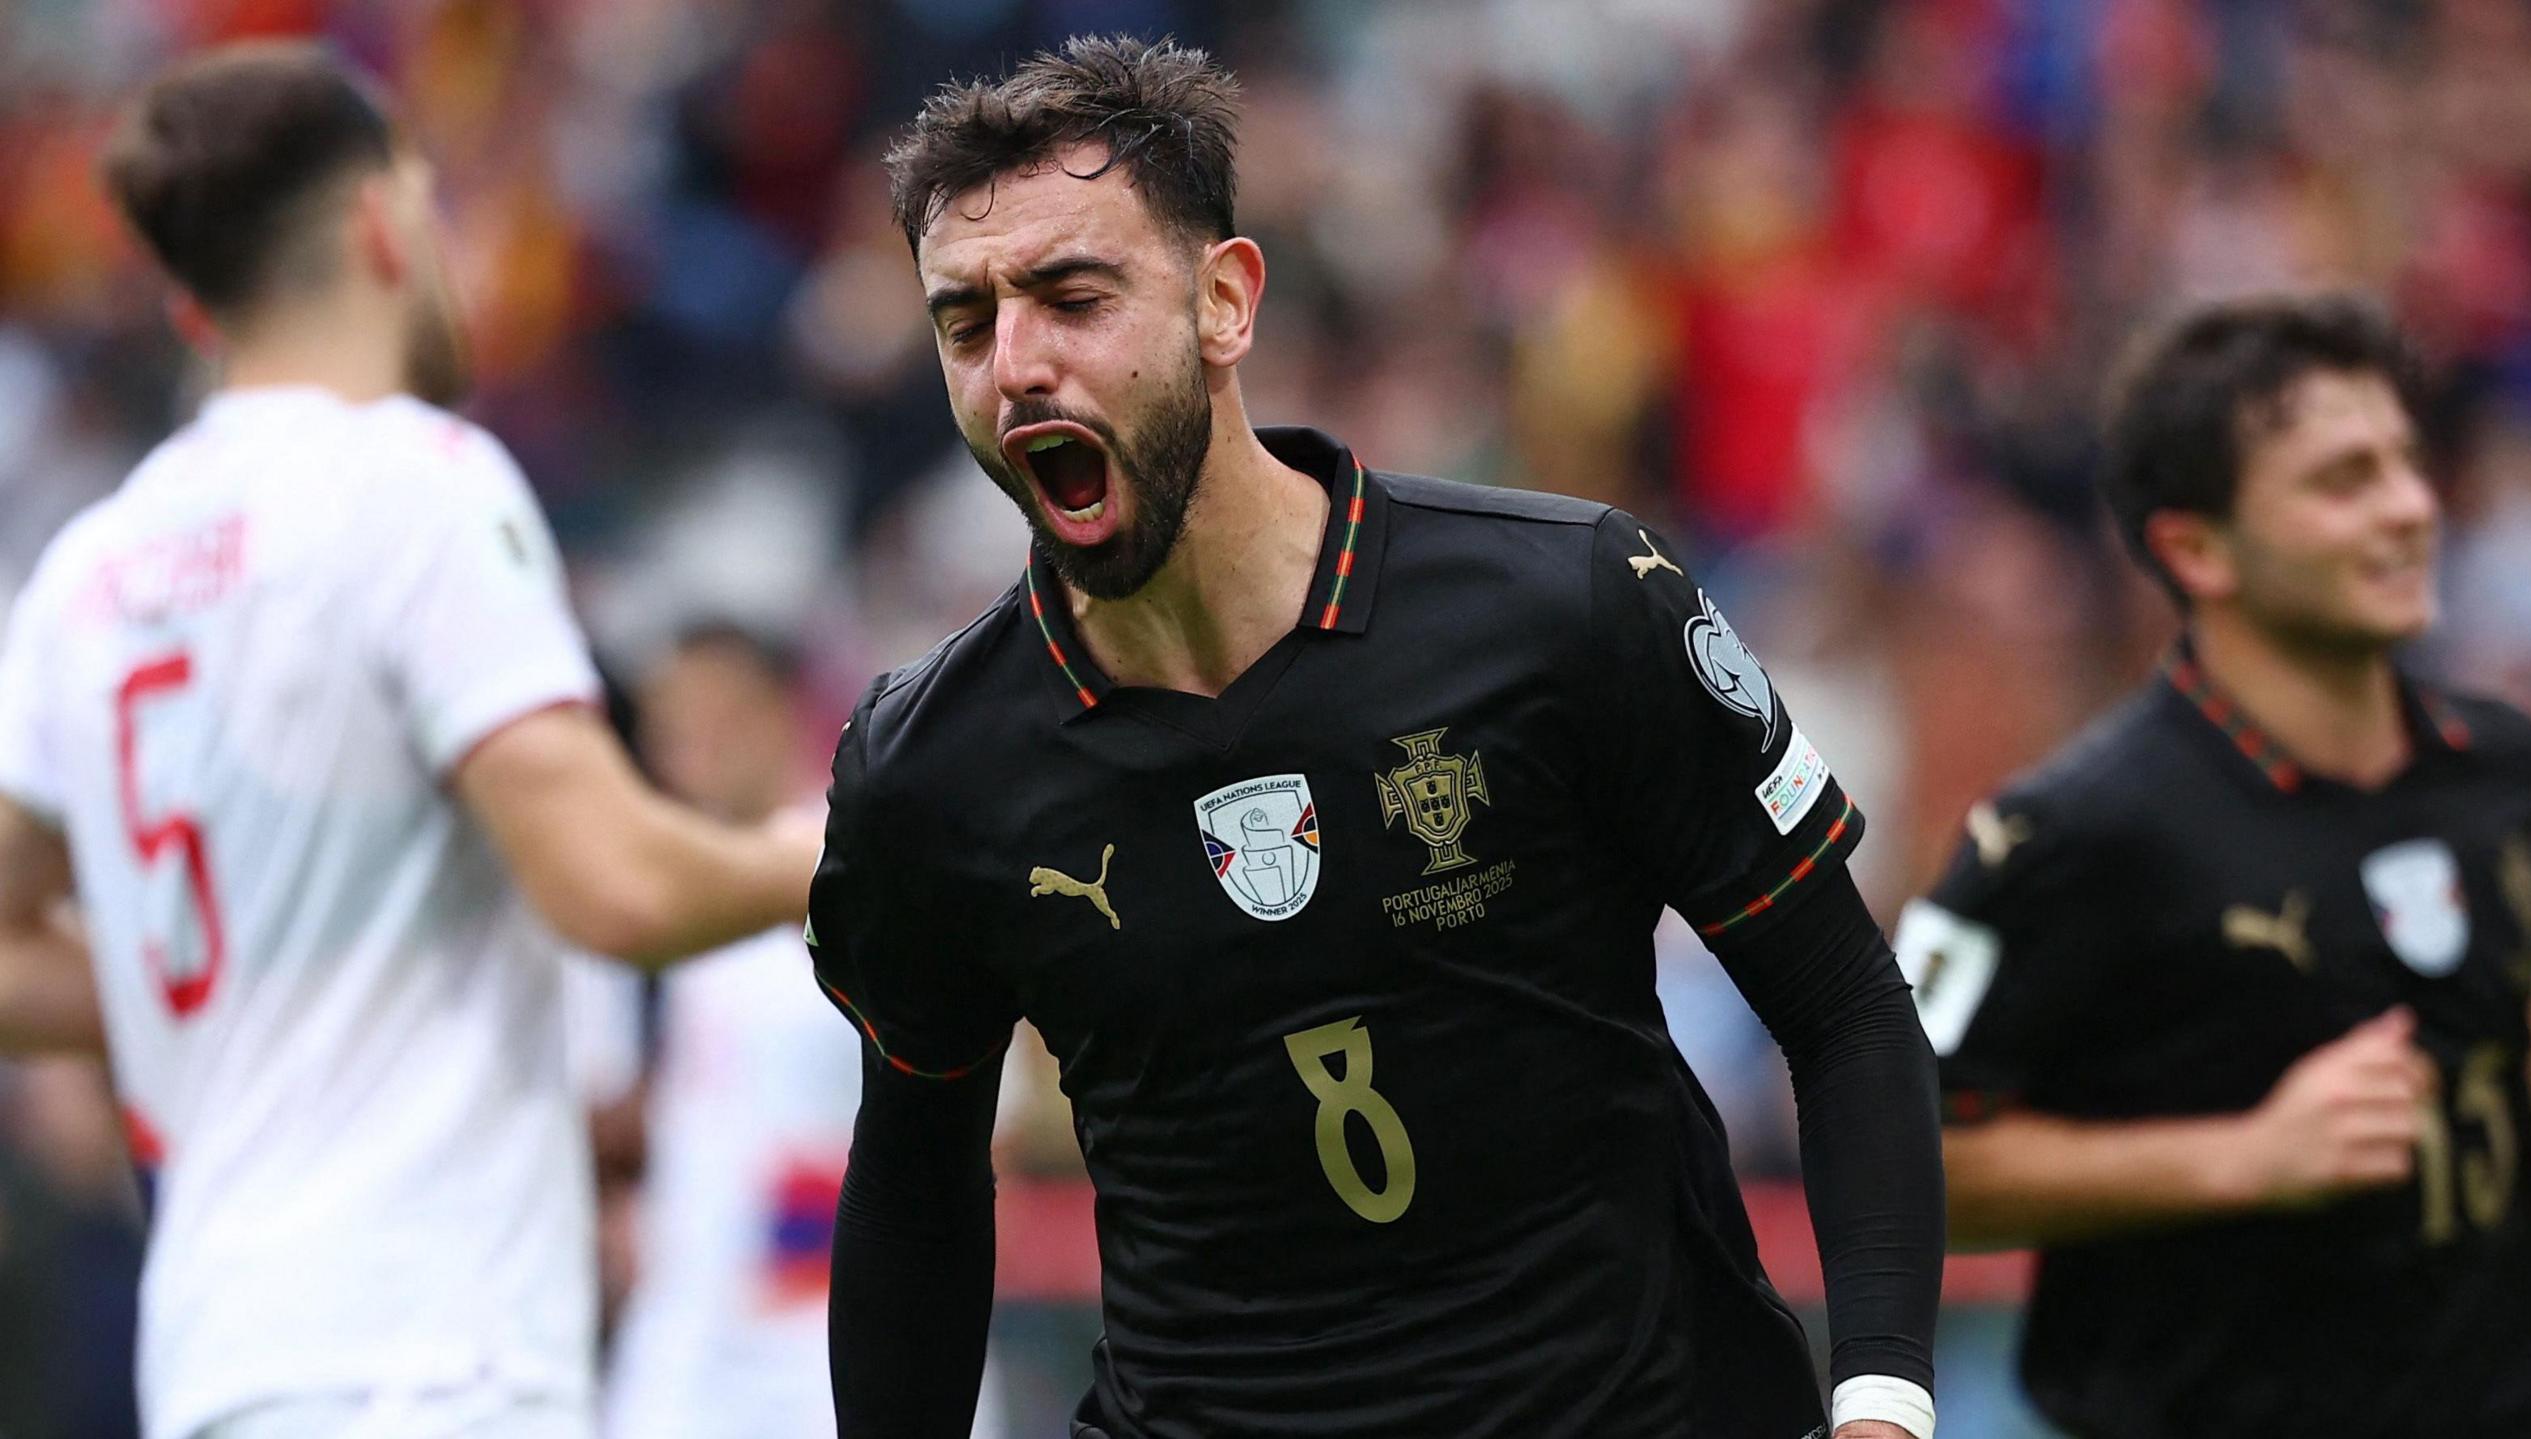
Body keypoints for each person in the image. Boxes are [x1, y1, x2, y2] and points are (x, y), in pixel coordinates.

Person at [809, 36, 1943, 1439]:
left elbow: (1842, 999)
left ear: (1225, 302)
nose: (1016, 365)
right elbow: (916, 1176)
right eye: (966, 321)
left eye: (1072, 296)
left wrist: (1883, 1400)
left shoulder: (1564, 603)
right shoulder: (929, 767)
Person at [0, 42, 820, 1439]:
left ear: (194, 300)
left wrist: (229, 973)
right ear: (386, 221)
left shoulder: (91, 564)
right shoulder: (417, 485)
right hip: (433, 1361)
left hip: (216, 1363)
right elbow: (613, 885)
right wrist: (842, 845)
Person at [1898, 294, 2531, 1438]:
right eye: (2342, 480)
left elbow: (2485, 1017)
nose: (2409, 509)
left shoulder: (2497, 763)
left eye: (2407, 462)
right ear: (2194, 547)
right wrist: (2242, 1158)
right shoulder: (2071, 833)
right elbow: (1886, 1157)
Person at [600, 622, 1005, 1439]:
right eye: (676, 728)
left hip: (830, 1336)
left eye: (721, 720)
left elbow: (990, 1107)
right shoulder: (642, 908)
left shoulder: (861, 876)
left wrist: (796, 1223)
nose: (695, 751)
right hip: (684, 1339)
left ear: (783, 713)